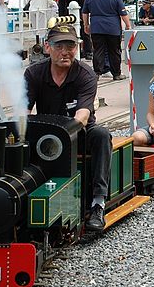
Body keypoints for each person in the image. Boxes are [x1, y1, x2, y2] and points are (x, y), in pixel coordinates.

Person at [24, 23, 110, 231]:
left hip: (78, 133)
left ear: (77, 47)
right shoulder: (34, 73)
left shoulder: (85, 74)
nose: (65, 52)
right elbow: (23, 111)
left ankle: (98, 203)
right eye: (59, 46)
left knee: (101, 134)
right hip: (45, 134)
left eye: (70, 46)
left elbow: (82, 115)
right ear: (47, 47)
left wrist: (60, 135)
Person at [82, 0, 132, 80]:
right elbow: (123, 13)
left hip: (96, 27)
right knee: (114, 51)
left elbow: (85, 12)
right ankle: (116, 74)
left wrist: (86, 25)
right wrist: (128, 26)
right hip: (112, 28)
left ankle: (97, 73)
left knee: (98, 50)